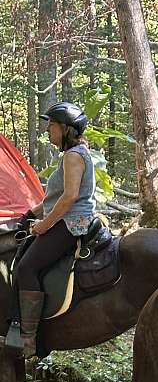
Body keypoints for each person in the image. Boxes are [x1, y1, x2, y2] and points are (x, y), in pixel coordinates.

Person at [9, 102, 96, 358]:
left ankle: (28, 339)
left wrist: (43, 226)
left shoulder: (72, 156)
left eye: (52, 126)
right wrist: (29, 214)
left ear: (66, 129)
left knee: (26, 267)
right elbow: (54, 195)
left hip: (70, 224)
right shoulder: (75, 153)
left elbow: (68, 198)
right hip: (69, 218)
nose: (48, 130)